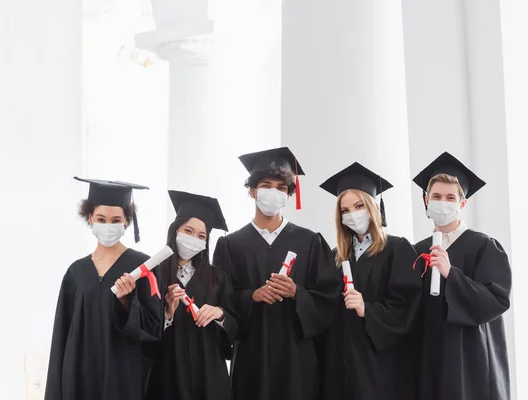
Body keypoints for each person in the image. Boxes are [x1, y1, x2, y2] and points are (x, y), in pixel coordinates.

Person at [213, 147, 341, 400]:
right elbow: (221, 300)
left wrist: (298, 293)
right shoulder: (230, 245)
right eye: (266, 185)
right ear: (252, 191)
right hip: (252, 355)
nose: (274, 192)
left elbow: (330, 297)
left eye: (282, 188)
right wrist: (252, 296)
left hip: (298, 356)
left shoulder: (310, 242)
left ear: (290, 194)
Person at [45, 177, 162, 400]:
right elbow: (61, 337)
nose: (108, 225)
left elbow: (154, 331)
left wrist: (127, 303)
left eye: (115, 219)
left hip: (123, 378)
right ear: (89, 218)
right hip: (79, 377)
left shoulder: (143, 268)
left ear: (127, 221)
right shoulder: (76, 273)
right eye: (101, 219)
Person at [314, 162, 421, 400]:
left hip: (380, 364)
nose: (352, 214)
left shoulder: (397, 249)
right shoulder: (336, 256)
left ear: (373, 206)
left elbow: (409, 306)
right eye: (345, 210)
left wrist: (368, 310)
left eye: (359, 205)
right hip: (340, 362)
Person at [412, 152, 511, 400]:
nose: (442, 202)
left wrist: (450, 274)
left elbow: (496, 300)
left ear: (462, 203)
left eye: (450, 197)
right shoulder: (416, 251)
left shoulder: (483, 246)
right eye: (436, 196)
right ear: (426, 199)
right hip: (429, 359)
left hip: (470, 360)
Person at [146, 190, 237, 400]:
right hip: (167, 371)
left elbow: (236, 326)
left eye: (201, 236)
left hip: (208, 372)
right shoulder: (154, 274)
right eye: (188, 231)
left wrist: (220, 314)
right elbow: (144, 330)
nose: (194, 239)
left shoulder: (218, 278)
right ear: (175, 230)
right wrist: (167, 314)